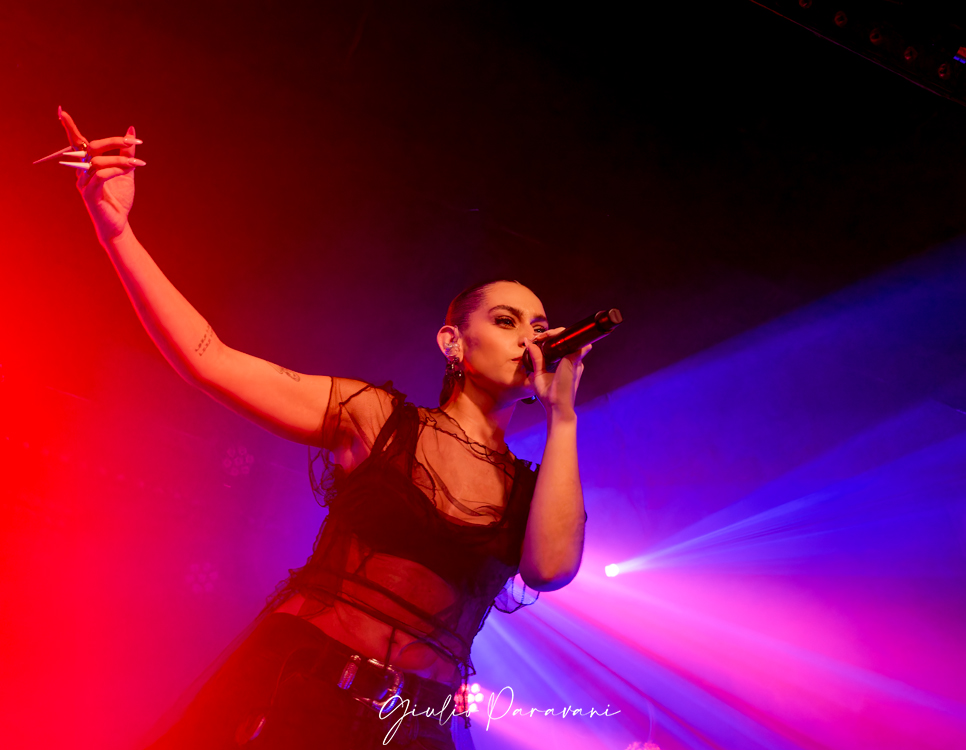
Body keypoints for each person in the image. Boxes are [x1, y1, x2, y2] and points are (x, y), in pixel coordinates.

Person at [52, 110, 590, 749]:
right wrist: (117, 231)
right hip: (301, 695)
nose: (529, 337)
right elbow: (209, 358)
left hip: (412, 728)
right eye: (506, 321)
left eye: (539, 326)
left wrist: (562, 417)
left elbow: (551, 569)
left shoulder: (533, 489)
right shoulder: (378, 419)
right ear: (453, 342)